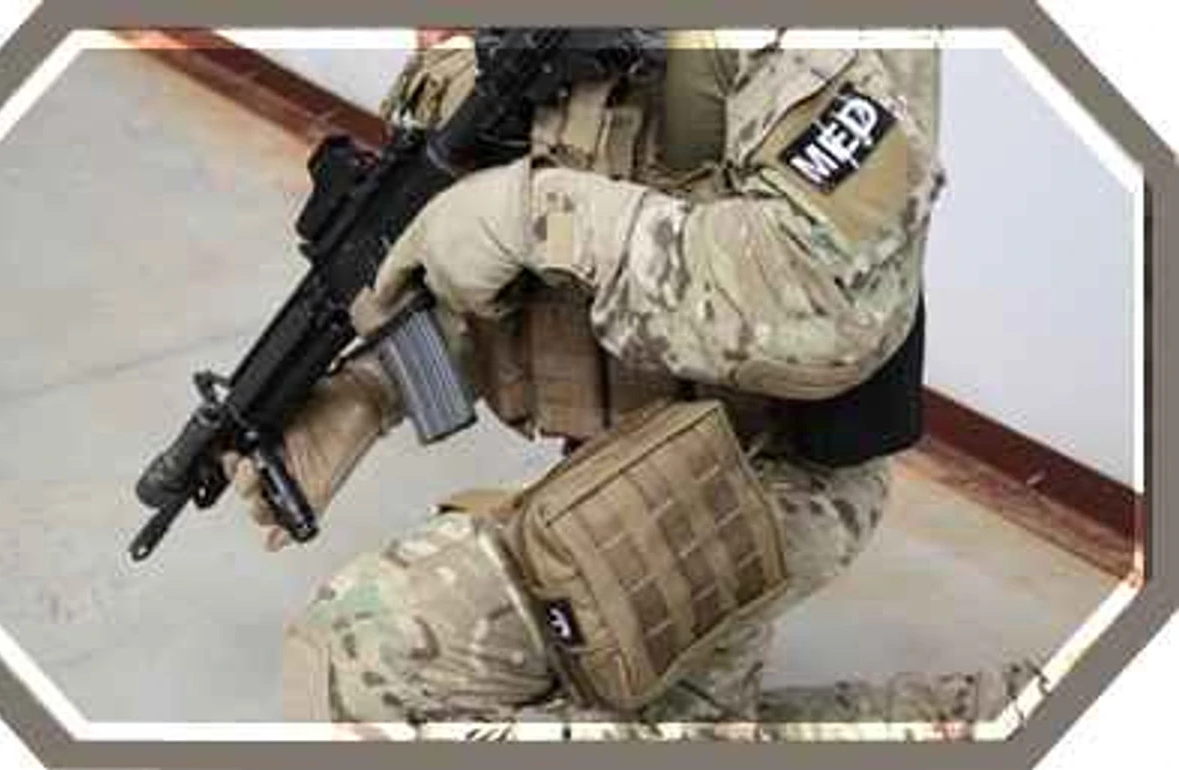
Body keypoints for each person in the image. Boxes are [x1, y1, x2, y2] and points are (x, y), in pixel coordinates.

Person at [227, 28, 1038, 740]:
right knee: (660, 719)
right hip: (617, 451)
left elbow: (823, 303)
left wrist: (533, 216)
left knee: (359, 666)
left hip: (763, 467)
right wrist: (372, 391)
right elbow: (482, 256)